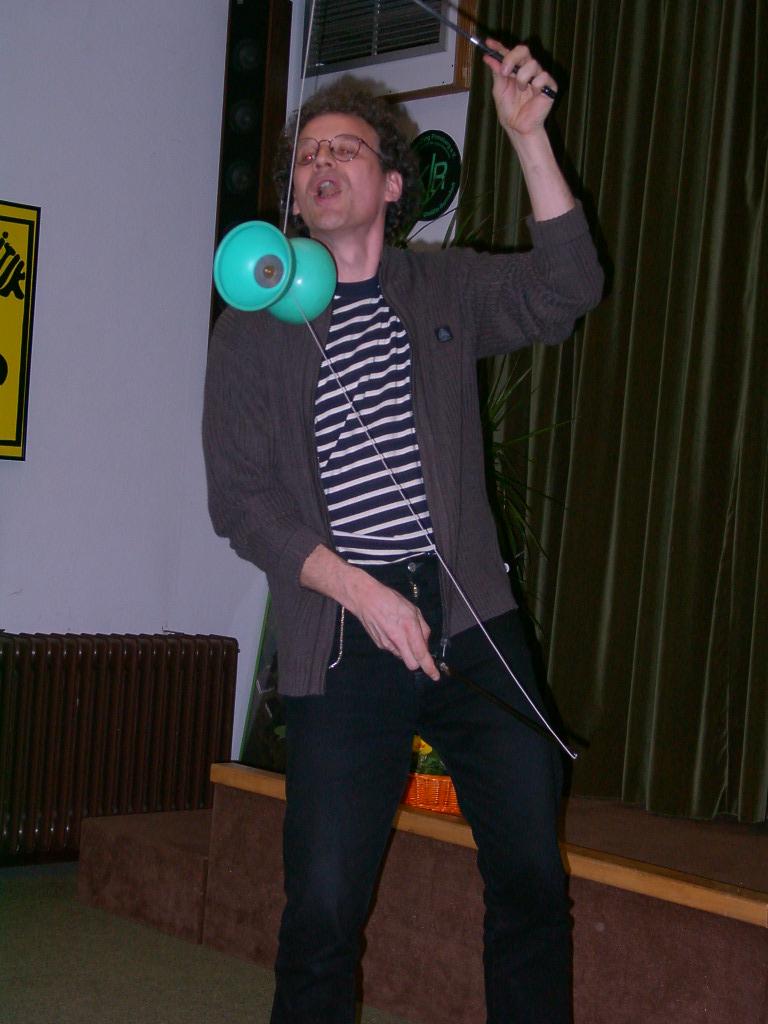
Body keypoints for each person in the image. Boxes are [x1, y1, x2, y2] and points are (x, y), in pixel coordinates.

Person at [203, 40, 603, 1024]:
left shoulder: (443, 289)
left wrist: (529, 137)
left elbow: (570, 291)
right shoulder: (251, 326)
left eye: (343, 148)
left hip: (473, 618)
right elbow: (240, 500)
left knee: (530, 879)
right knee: (323, 912)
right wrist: (361, 592)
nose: (320, 163)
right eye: (306, 154)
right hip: (343, 635)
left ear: (390, 183)